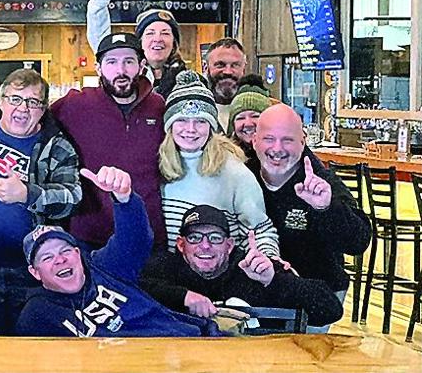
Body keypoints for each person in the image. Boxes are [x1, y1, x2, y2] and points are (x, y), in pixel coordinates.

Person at [0, 68, 81, 335]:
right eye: (15, 99)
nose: (23, 108)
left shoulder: (56, 146)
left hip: (31, 272)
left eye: (33, 102)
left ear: (44, 108)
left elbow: (73, 197)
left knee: (29, 349)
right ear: (1, 100)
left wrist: (28, 194)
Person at [16, 166, 221, 337]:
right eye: (47, 257)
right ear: (35, 272)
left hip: (185, 346)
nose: (59, 260)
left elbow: (135, 239)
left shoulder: (104, 267)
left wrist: (124, 199)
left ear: (78, 254)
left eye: (65, 251)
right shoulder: (36, 314)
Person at [250, 104, 370, 332]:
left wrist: (326, 208)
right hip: (259, 296)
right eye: (269, 139)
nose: (277, 148)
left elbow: (358, 242)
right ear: (255, 141)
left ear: (302, 141)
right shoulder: (242, 177)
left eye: (287, 140)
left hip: (316, 302)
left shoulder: (321, 183)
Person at [139, 205, 343, 328]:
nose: (205, 245)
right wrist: (182, 296)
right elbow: (125, 287)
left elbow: (331, 310)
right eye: (195, 237)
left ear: (229, 245)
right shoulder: (164, 267)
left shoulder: (253, 268)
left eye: (215, 237)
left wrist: (274, 280)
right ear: (181, 245)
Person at [50, 32, 166, 248]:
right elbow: (30, 123)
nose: (120, 70)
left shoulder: (159, 107)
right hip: (89, 236)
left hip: (147, 233)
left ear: (141, 66)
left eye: (128, 61)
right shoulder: (75, 105)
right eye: (111, 62)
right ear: (98, 68)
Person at [156, 72, 277, 257]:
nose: (190, 129)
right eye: (181, 120)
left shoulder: (233, 170)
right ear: (169, 125)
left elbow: (260, 230)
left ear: (212, 126)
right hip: (170, 279)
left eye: (200, 121)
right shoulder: (155, 165)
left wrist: (266, 262)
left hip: (219, 278)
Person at [86, 0, 189, 97]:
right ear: (139, 41)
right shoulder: (127, 75)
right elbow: (99, 37)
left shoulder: (188, 81)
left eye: (165, 33)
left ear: (174, 43)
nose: (157, 39)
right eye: (150, 33)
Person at [204, 38, 249, 124]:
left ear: (244, 68)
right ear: (206, 67)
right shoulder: (192, 109)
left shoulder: (263, 108)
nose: (228, 72)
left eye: (235, 65)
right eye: (220, 65)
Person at [226, 76, 272, 159]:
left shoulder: (281, 154)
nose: (248, 124)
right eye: (240, 118)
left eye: (255, 116)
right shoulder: (224, 158)